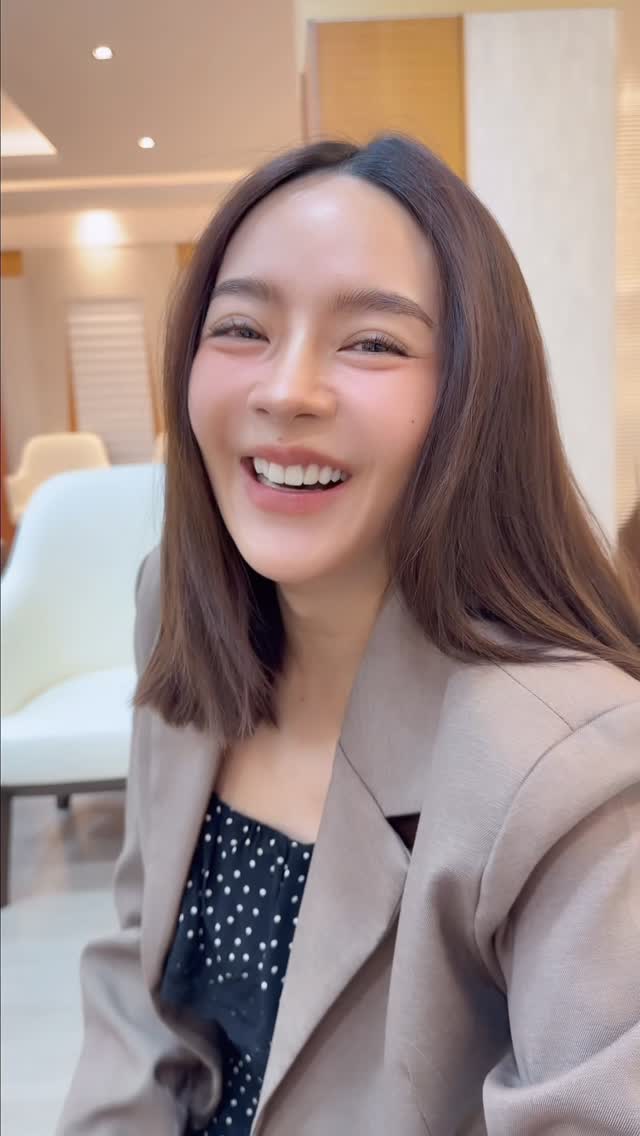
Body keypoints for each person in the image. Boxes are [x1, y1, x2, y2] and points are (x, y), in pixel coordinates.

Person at [57, 136, 640, 1136]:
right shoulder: (179, 606)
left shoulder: (574, 762)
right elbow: (137, 976)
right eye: (241, 327)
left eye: (371, 343)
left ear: (472, 395)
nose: (287, 390)